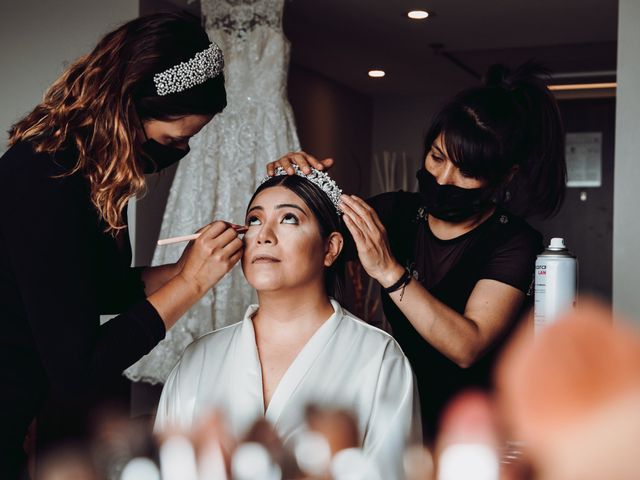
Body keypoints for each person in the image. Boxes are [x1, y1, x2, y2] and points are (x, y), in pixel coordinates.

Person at [0, 12, 245, 478]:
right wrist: (191, 285)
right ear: (128, 109)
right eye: (177, 140)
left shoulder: (96, 174)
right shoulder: (46, 177)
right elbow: (78, 372)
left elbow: (100, 290)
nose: (179, 154)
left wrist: (180, 269)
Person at [267, 62, 566, 441]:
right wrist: (289, 187)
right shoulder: (395, 213)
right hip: (404, 405)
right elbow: (303, 244)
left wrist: (389, 271)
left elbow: (466, 346)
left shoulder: (514, 241)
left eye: (467, 171)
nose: (443, 178)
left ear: (505, 176)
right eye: (437, 157)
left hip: (486, 421)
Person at [155, 167, 420, 479]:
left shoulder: (378, 357)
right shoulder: (199, 357)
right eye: (254, 220)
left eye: (289, 218)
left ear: (330, 248)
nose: (264, 235)